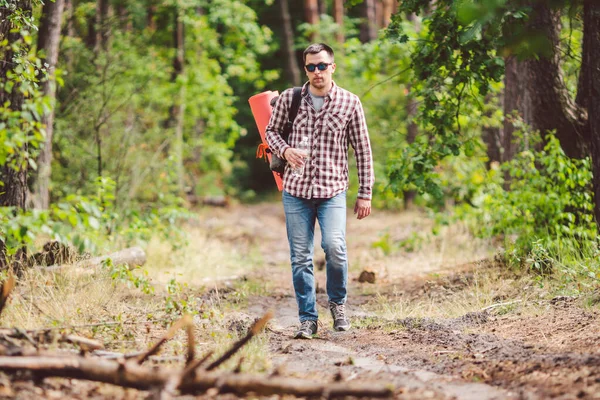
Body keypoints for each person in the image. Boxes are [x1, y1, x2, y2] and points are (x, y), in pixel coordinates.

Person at [265, 43, 374, 339]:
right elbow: (270, 132)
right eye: (311, 67)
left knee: (335, 248)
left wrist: (366, 193)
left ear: (332, 67)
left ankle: (338, 305)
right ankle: (307, 319)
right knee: (300, 257)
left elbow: (362, 150)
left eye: (322, 66)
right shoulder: (290, 99)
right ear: (305, 69)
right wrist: (285, 151)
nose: (317, 72)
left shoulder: (350, 103)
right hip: (296, 191)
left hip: (332, 191)